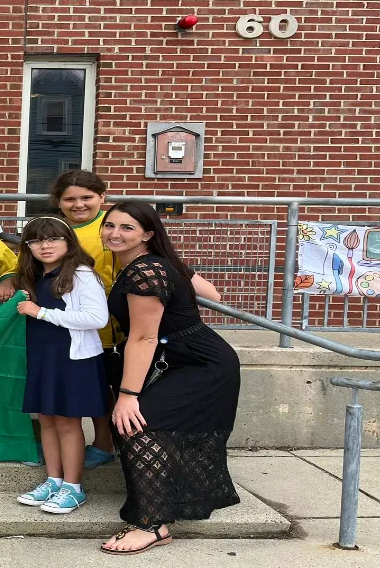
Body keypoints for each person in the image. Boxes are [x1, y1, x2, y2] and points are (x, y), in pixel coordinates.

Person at [99, 201, 237, 556]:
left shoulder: (145, 271)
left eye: (126, 228)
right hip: (183, 358)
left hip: (199, 365)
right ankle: (158, 509)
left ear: (147, 234)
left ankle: (152, 525)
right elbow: (213, 293)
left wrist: (128, 395)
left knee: (135, 423)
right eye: (109, 225)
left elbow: (144, 337)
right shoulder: (157, 263)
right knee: (141, 424)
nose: (114, 233)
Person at [13, 217, 110, 515]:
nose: (45, 245)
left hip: (72, 358)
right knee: (46, 420)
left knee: (68, 422)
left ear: (69, 242)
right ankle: (54, 480)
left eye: (53, 238)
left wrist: (40, 312)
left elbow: (97, 319)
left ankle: (73, 487)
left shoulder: (81, 274)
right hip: (42, 356)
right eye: (36, 240)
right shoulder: (33, 276)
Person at [50, 169, 121, 468]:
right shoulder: (54, 231)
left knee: (109, 389)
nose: (78, 204)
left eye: (87, 197)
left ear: (102, 197)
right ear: (59, 202)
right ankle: (95, 444)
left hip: (113, 326)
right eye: (70, 199)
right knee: (91, 390)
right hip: (68, 325)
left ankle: (107, 444)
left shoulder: (112, 228)